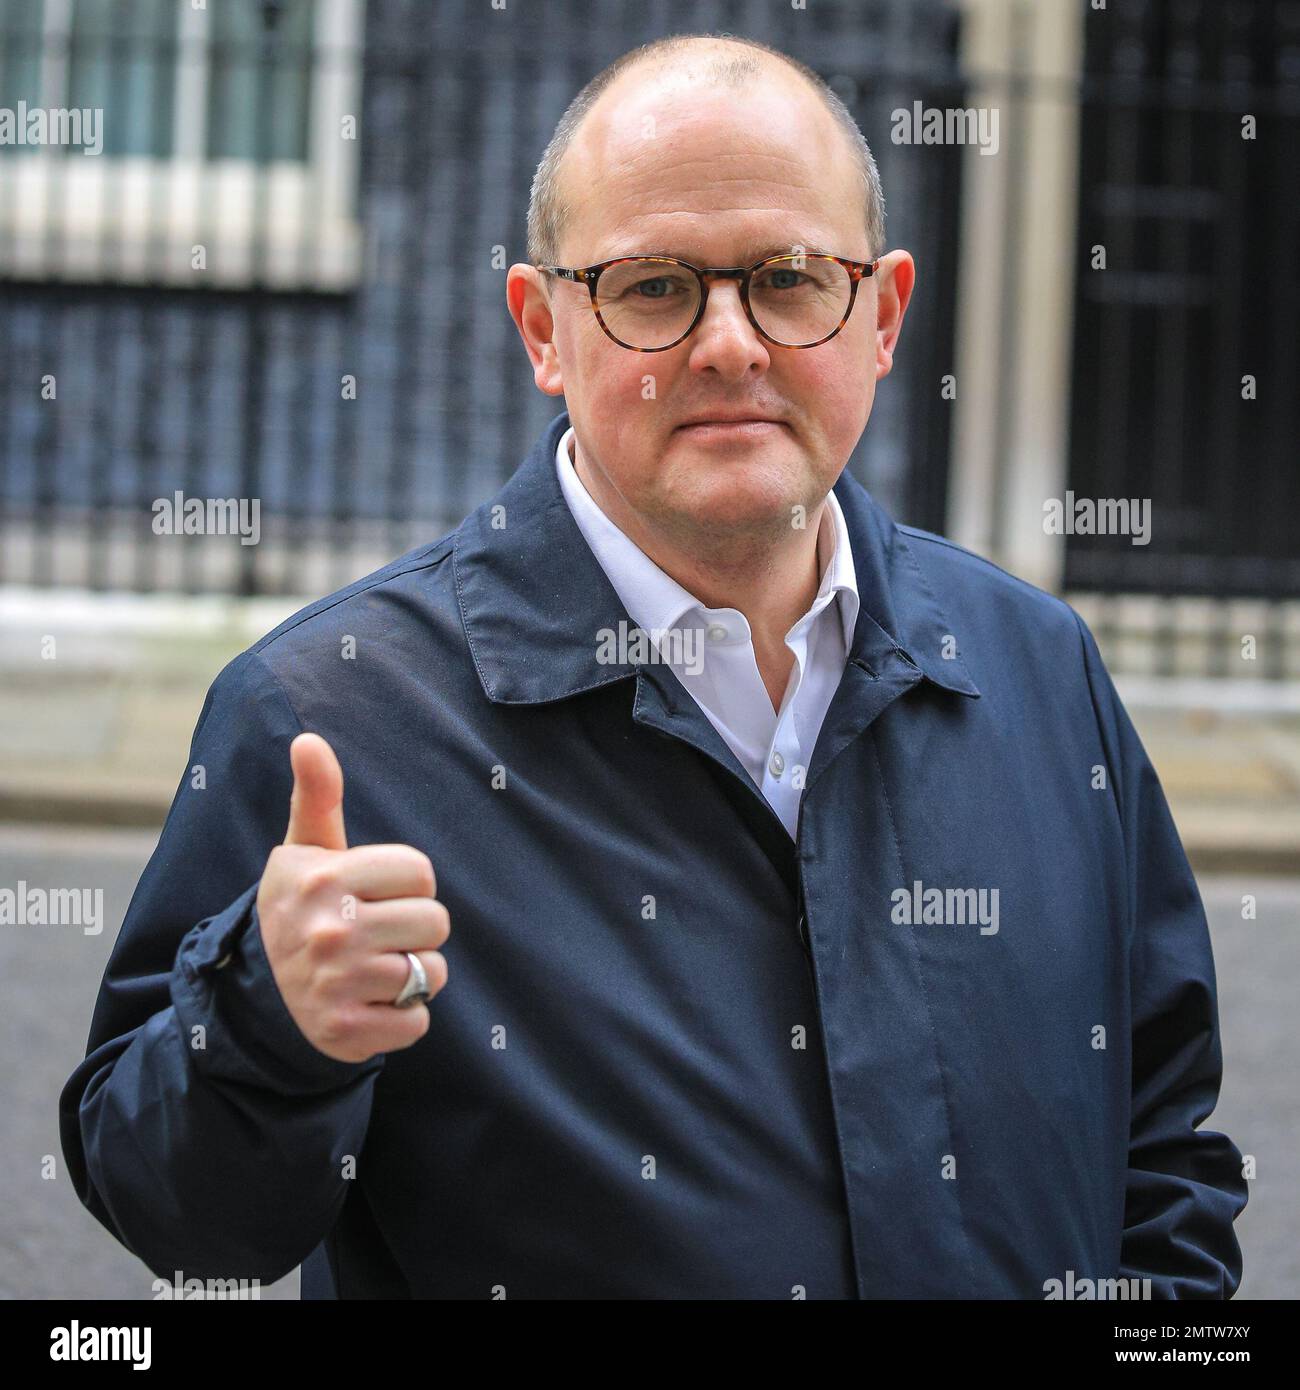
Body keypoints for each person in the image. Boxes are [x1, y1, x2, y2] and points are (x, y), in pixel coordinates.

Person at [60, 32, 1247, 1299]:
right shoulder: (331, 718)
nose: (730, 344)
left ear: (885, 315)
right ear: (544, 328)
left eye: (790, 280)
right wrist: (265, 1026)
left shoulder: (1038, 668)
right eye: (654, 286)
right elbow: (179, 1218)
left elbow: (1160, 1154)